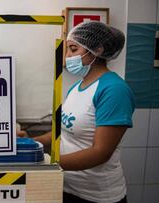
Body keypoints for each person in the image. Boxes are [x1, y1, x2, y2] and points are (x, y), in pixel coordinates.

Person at [32, 21, 135, 203]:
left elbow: (100, 152)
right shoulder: (77, 87)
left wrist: (48, 164)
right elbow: (63, 131)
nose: (67, 56)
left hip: (95, 195)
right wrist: (31, 142)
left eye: (73, 49)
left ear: (98, 50)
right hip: (65, 185)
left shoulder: (114, 90)